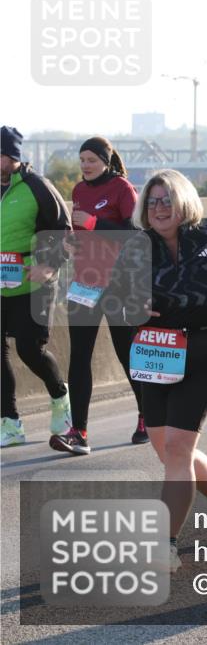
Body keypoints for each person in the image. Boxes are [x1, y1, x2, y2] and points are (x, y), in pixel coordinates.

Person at [104, 169, 207, 571]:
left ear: (183, 203)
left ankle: (164, 545)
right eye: (152, 201)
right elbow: (115, 299)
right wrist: (130, 311)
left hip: (205, 348)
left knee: (177, 448)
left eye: (167, 200)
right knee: (168, 450)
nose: (159, 208)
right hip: (155, 351)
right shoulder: (136, 248)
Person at [49, 136, 144, 456]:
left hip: (118, 284)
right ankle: (79, 432)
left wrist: (94, 222)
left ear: (106, 160)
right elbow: (83, 235)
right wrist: (72, 242)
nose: (85, 166)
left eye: (91, 160)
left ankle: (148, 417)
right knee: (79, 357)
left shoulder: (122, 188)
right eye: (82, 161)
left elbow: (135, 236)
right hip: (84, 283)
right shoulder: (78, 191)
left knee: (126, 354)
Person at [1, 125, 73, 448]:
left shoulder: (37, 186)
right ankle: (10, 423)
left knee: (30, 349)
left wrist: (49, 265)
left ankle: (60, 397)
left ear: (15, 157)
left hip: (34, 282)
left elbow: (65, 231)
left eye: (3, 155)